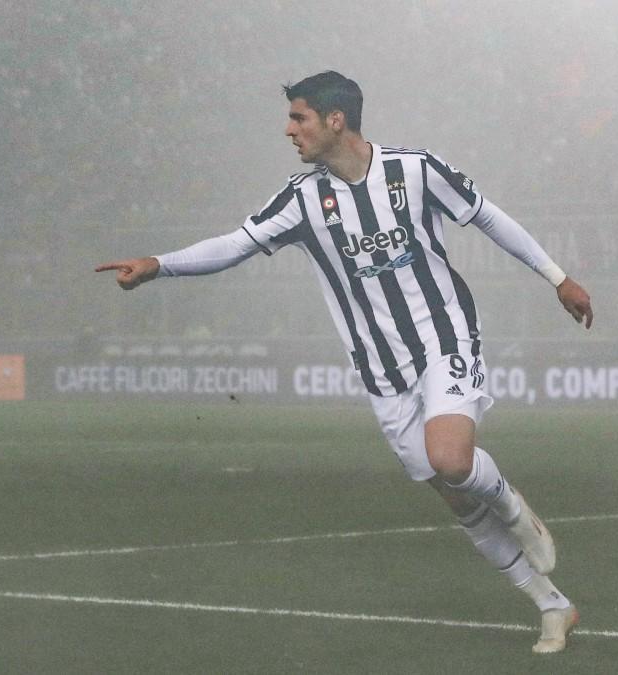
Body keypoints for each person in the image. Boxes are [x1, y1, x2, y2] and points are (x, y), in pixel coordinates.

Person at [96, 71, 591, 653]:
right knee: (456, 498)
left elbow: (487, 216)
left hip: (444, 336)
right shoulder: (302, 199)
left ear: (336, 120)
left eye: (298, 118)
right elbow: (234, 244)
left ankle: (512, 504)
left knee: (451, 458)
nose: (288, 130)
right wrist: (159, 263)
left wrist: (557, 277)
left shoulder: (416, 169)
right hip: (380, 368)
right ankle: (551, 605)